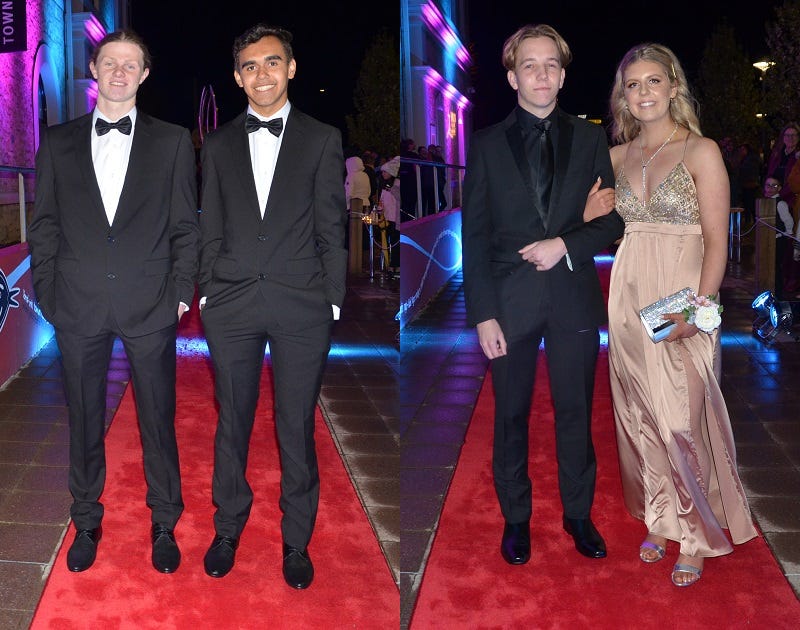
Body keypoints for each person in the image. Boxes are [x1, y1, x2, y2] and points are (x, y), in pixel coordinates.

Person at [27, 30, 199, 574]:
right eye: (109, 62)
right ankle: (85, 519)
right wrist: (49, 293)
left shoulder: (172, 141)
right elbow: (44, 226)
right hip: (76, 304)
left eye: (130, 64)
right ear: (95, 70)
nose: (119, 72)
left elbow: (185, 227)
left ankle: (165, 521)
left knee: (158, 420)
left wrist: (180, 295)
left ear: (144, 74)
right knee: (83, 418)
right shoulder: (57, 142)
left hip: (151, 304)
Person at [590, 42, 757, 587]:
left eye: (653, 81)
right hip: (627, 297)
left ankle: (697, 533)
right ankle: (661, 518)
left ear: (674, 86)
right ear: (623, 96)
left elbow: (717, 242)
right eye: (633, 84)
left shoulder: (700, 151)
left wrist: (697, 310)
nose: (644, 92)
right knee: (641, 415)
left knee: (681, 418)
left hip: (680, 298)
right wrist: (589, 212)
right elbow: (588, 222)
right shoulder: (616, 157)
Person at [461, 23, 624, 567]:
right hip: (508, 303)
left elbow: (612, 220)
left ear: (562, 74)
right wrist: (483, 314)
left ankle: (578, 514)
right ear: (512, 77)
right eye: (529, 65)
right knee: (510, 415)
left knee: (576, 411)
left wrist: (564, 244)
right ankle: (516, 518)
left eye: (551, 64)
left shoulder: (590, 138)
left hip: (572, 295)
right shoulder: (485, 145)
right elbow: (475, 236)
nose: (542, 74)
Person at [197, 23, 347, 589]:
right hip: (231, 302)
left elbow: (332, 226)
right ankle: (227, 528)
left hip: (302, 304)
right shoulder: (217, 144)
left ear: (291, 68)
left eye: (272, 62)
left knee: (295, 424)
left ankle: (296, 538)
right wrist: (207, 292)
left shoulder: (323, 138)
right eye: (250, 66)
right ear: (238, 78)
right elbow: (210, 224)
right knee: (232, 421)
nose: (262, 74)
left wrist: (332, 299)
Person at [764, 176, 795, 299]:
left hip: (778, 239)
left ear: (780, 188)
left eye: (774, 186)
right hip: (768, 239)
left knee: (776, 267)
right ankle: (770, 289)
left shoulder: (780, 203)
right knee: (769, 266)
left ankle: (778, 293)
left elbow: (788, 220)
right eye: (768, 185)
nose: (770, 188)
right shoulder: (765, 201)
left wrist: (788, 233)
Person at [765, 123, 800, 206]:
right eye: (787, 135)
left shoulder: (798, 158)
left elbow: (796, 181)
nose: (790, 138)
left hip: (791, 200)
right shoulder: (776, 155)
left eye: (793, 135)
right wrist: (768, 190)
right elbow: (769, 174)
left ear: (798, 138)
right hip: (773, 198)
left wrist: (780, 194)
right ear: (783, 137)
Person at [378, 156, 401, 275]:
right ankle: (392, 264)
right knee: (390, 241)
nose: (383, 174)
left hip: (395, 218)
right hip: (387, 217)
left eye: (385, 172)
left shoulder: (396, 184)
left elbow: (398, 199)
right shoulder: (385, 184)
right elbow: (383, 199)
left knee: (395, 241)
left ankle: (395, 265)